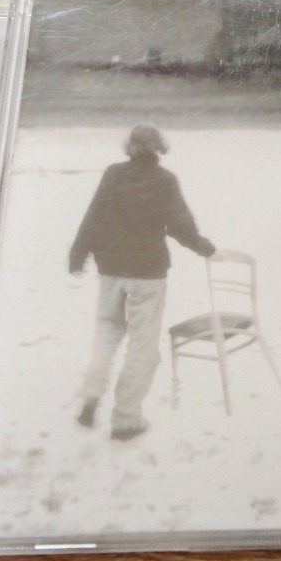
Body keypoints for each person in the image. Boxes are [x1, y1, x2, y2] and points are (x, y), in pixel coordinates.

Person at [68, 124, 215, 441]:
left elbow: (93, 215)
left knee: (106, 335)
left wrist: (78, 255)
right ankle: (126, 419)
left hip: (111, 270)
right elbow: (181, 227)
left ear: (130, 146)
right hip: (147, 275)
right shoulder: (165, 181)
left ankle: (91, 397)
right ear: (159, 147)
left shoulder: (113, 174)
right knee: (142, 348)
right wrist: (206, 249)